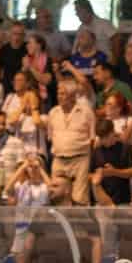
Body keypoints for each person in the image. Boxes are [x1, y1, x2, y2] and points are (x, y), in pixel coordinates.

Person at [47, 78, 94, 206]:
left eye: (63, 94)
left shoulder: (86, 112)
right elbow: (51, 137)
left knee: (79, 197)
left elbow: (92, 138)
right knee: (56, 195)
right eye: (58, 93)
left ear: (73, 95)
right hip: (58, 159)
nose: (59, 96)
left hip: (80, 159)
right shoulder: (53, 112)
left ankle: (80, 220)